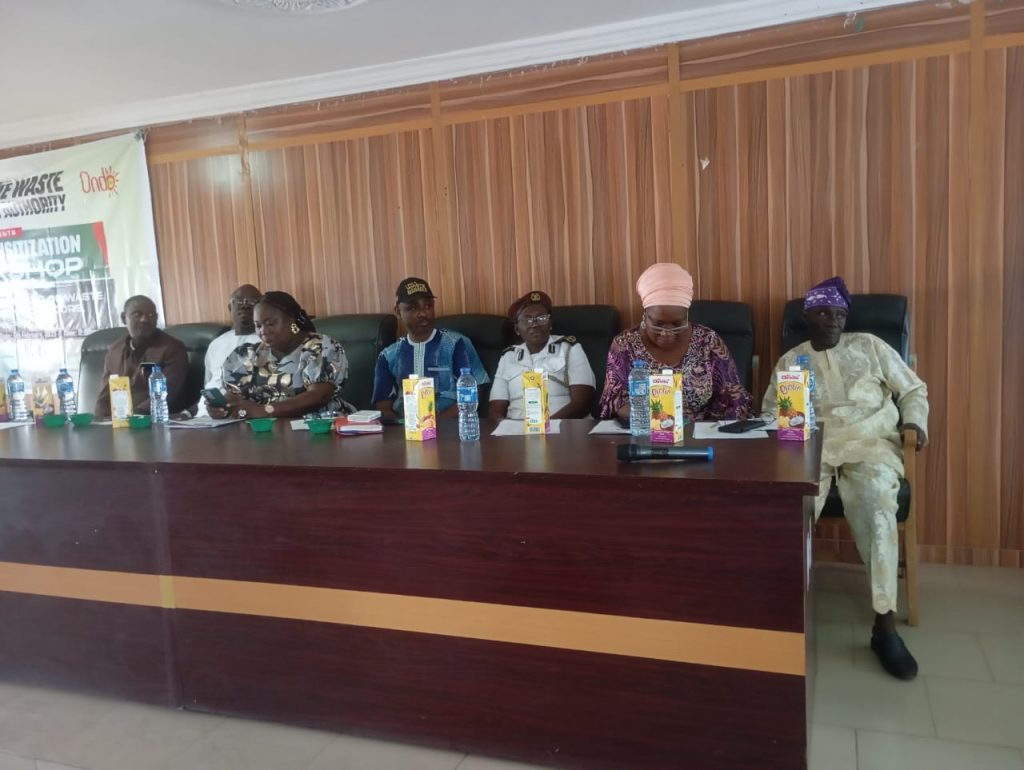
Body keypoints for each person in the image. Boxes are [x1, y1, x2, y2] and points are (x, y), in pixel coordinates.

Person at [762, 276, 928, 681]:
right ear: (807, 317)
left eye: (839, 314)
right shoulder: (791, 362)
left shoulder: (871, 346)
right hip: (811, 450)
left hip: (872, 446)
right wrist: (783, 429)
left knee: (877, 506)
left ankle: (884, 627)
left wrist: (914, 423)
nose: (834, 320)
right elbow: (769, 415)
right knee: (790, 515)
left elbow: (913, 390)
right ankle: (783, 619)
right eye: (824, 313)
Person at [599, 263, 751, 422]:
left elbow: (733, 398)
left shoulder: (708, 342)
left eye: (677, 324)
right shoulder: (625, 344)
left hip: (700, 431)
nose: (667, 332)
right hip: (644, 429)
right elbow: (615, 401)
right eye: (658, 324)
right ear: (645, 315)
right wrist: (661, 421)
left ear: (687, 316)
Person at [209, 291, 353, 419]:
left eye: (270, 323)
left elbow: (319, 396)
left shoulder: (320, 347)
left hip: (320, 426)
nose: (263, 331)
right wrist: (222, 408)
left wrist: (266, 410)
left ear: (291, 319)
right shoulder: (248, 354)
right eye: (258, 325)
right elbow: (233, 396)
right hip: (265, 430)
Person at [372, 277, 489, 420]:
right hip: (406, 427)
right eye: (413, 308)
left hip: (449, 426)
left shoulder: (455, 344)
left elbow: (475, 392)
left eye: (427, 306)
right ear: (398, 311)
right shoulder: (388, 355)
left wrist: (434, 423)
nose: (423, 313)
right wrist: (400, 424)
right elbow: (383, 405)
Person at [489, 290, 595, 420]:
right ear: (517, 329)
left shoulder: (569, 349)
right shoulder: (508, 357)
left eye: (541, 318)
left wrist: (544, 427)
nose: (535, 325)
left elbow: (582, 404)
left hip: (563, 427)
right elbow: (496, 410)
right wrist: (506, 428)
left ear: (550, 323)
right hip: (516, 428)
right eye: (527, 319)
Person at [94, 295, 189, 417]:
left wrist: (135, 417)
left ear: (156, 318)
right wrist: (99, 422)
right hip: (119, 420)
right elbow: (104, 396)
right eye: (137, 314)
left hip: (155, 419)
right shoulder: (114, 350)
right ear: (124, 318)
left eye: (150, 315)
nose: (145, 319)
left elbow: (167, 393)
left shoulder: (172, 348)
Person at [192, 283, 261, 417]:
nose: (245, 306)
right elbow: (209, 386)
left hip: (240, 415)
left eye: (252, 302)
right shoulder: (216, 344)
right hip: (203, 416)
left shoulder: (268, 341)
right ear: (230, 307)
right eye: (239, 301)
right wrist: (187, 413)